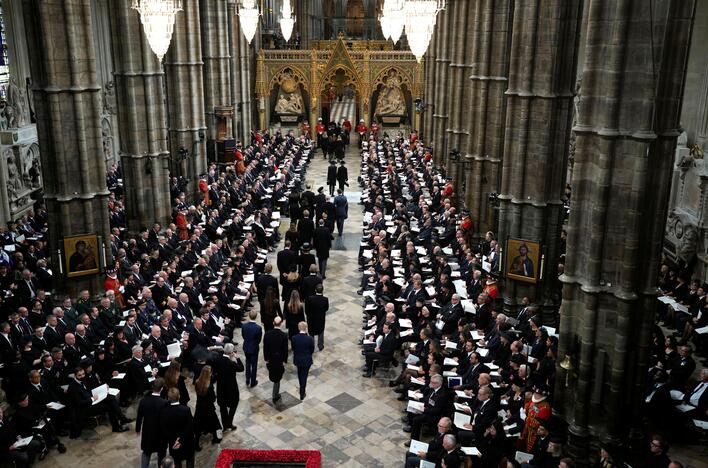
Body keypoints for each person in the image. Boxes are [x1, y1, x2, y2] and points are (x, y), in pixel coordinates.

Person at [136, 378, 168, 468]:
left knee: (146, 452)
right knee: (161, 453)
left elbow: (139, 416)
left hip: (148, 431)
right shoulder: (165, 403)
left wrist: (138, 429)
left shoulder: (143, 401)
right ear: (161, 389)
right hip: (160, 433)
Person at [211, 343, 244, 431]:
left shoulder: (217, 359)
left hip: (221, 387)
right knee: (234, 404)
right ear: (231, 353)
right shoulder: (231, 363)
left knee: (223, 406)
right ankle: (229, 422)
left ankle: (225, 425)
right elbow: (241, 368)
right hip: (231, 388)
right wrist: (237, 358)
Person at [160, 388, 195, 468]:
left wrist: (174, 441)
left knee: (177, 462)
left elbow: (164, 429)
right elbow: (189, 427)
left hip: (173, 443)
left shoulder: (164, 412)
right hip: (187, 442)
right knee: (189, 460)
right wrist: (180, 440)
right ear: (179, 396)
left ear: (168, 398)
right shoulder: (186, 410)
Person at [193, 365, 221, 448]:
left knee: (198, 425)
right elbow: (213, 398)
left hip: (199, 407)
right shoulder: (209, 386)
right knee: (213, 422)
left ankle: (196, 444)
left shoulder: (197, 382)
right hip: (208, 408)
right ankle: (215, 438)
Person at [263, 317, 288, 403]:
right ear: (281, 323)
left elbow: (265, 348)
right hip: (279, 360)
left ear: (273, 323)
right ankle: (275, 395)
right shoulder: (284, 335)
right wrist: (285, 360)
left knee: (275, 377)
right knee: (277, 378)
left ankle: (275, 394)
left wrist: (266, 358)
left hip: (270, 359)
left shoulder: (267, 334)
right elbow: (285, 350)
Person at [291, 321, 314, 400]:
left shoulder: (294, 338)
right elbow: (312, 350)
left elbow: (293, 348)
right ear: (306, 328)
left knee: (300, 374)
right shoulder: (310, 338)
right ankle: (302, 392)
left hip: (298, 360)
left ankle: (302, 389)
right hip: (307, 360)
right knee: (304, 375)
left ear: (298, 328)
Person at [241, 311, 262, 388]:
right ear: (256, 316)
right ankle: (253, 382)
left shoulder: (244, 326)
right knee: (254, 365)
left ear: (249, 316)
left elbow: (243, 336)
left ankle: (247, 379)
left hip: (246, 346)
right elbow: (259, 339)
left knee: (247, 363)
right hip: (254, 348)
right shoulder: (258, 328)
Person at [305, 283, 329, 351]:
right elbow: (326, 308)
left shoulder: (310, 299)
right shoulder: (325, 299)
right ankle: (320, 345)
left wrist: (308, 315)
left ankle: (311, 346)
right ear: (322, 290)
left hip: (311, 319)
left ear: (315, 290)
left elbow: (307, 310)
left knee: (311, 332)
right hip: (320, 318)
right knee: (321, 331)